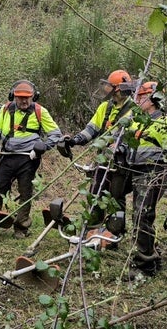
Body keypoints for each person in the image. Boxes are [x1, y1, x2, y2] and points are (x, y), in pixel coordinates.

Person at [0, 80, 62, 239]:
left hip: (28, 159)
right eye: (20, 97)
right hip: (7, 156)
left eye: (27, 97)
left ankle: (21, 227)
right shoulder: (6, 110)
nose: (23, 101)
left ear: (33, 96)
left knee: (25, 192)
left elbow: (56, 134)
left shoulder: (40, 111)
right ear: (13, 96)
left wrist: (43, 146)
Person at [57, 69, 135, 228]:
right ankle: (93, 229)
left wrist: (117, 146)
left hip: (120, 159)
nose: (107, 91)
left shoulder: (134, 110)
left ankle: (114, 232)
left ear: (119, 89)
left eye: (111, 87)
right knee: (95, 193)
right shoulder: (105, 107)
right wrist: (75, 140)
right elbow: (91, 129)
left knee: (116, 196)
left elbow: (126, 135)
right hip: (102, 158)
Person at [125, 81, 167, 278]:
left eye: (141, 96)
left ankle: (145, 265)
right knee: (141, 217)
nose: (137, 100)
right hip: (136, 172)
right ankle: (151, 255)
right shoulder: (136, 121)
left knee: (142, 217)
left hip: (153, 174)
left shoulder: (164, 124)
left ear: (153, 99)